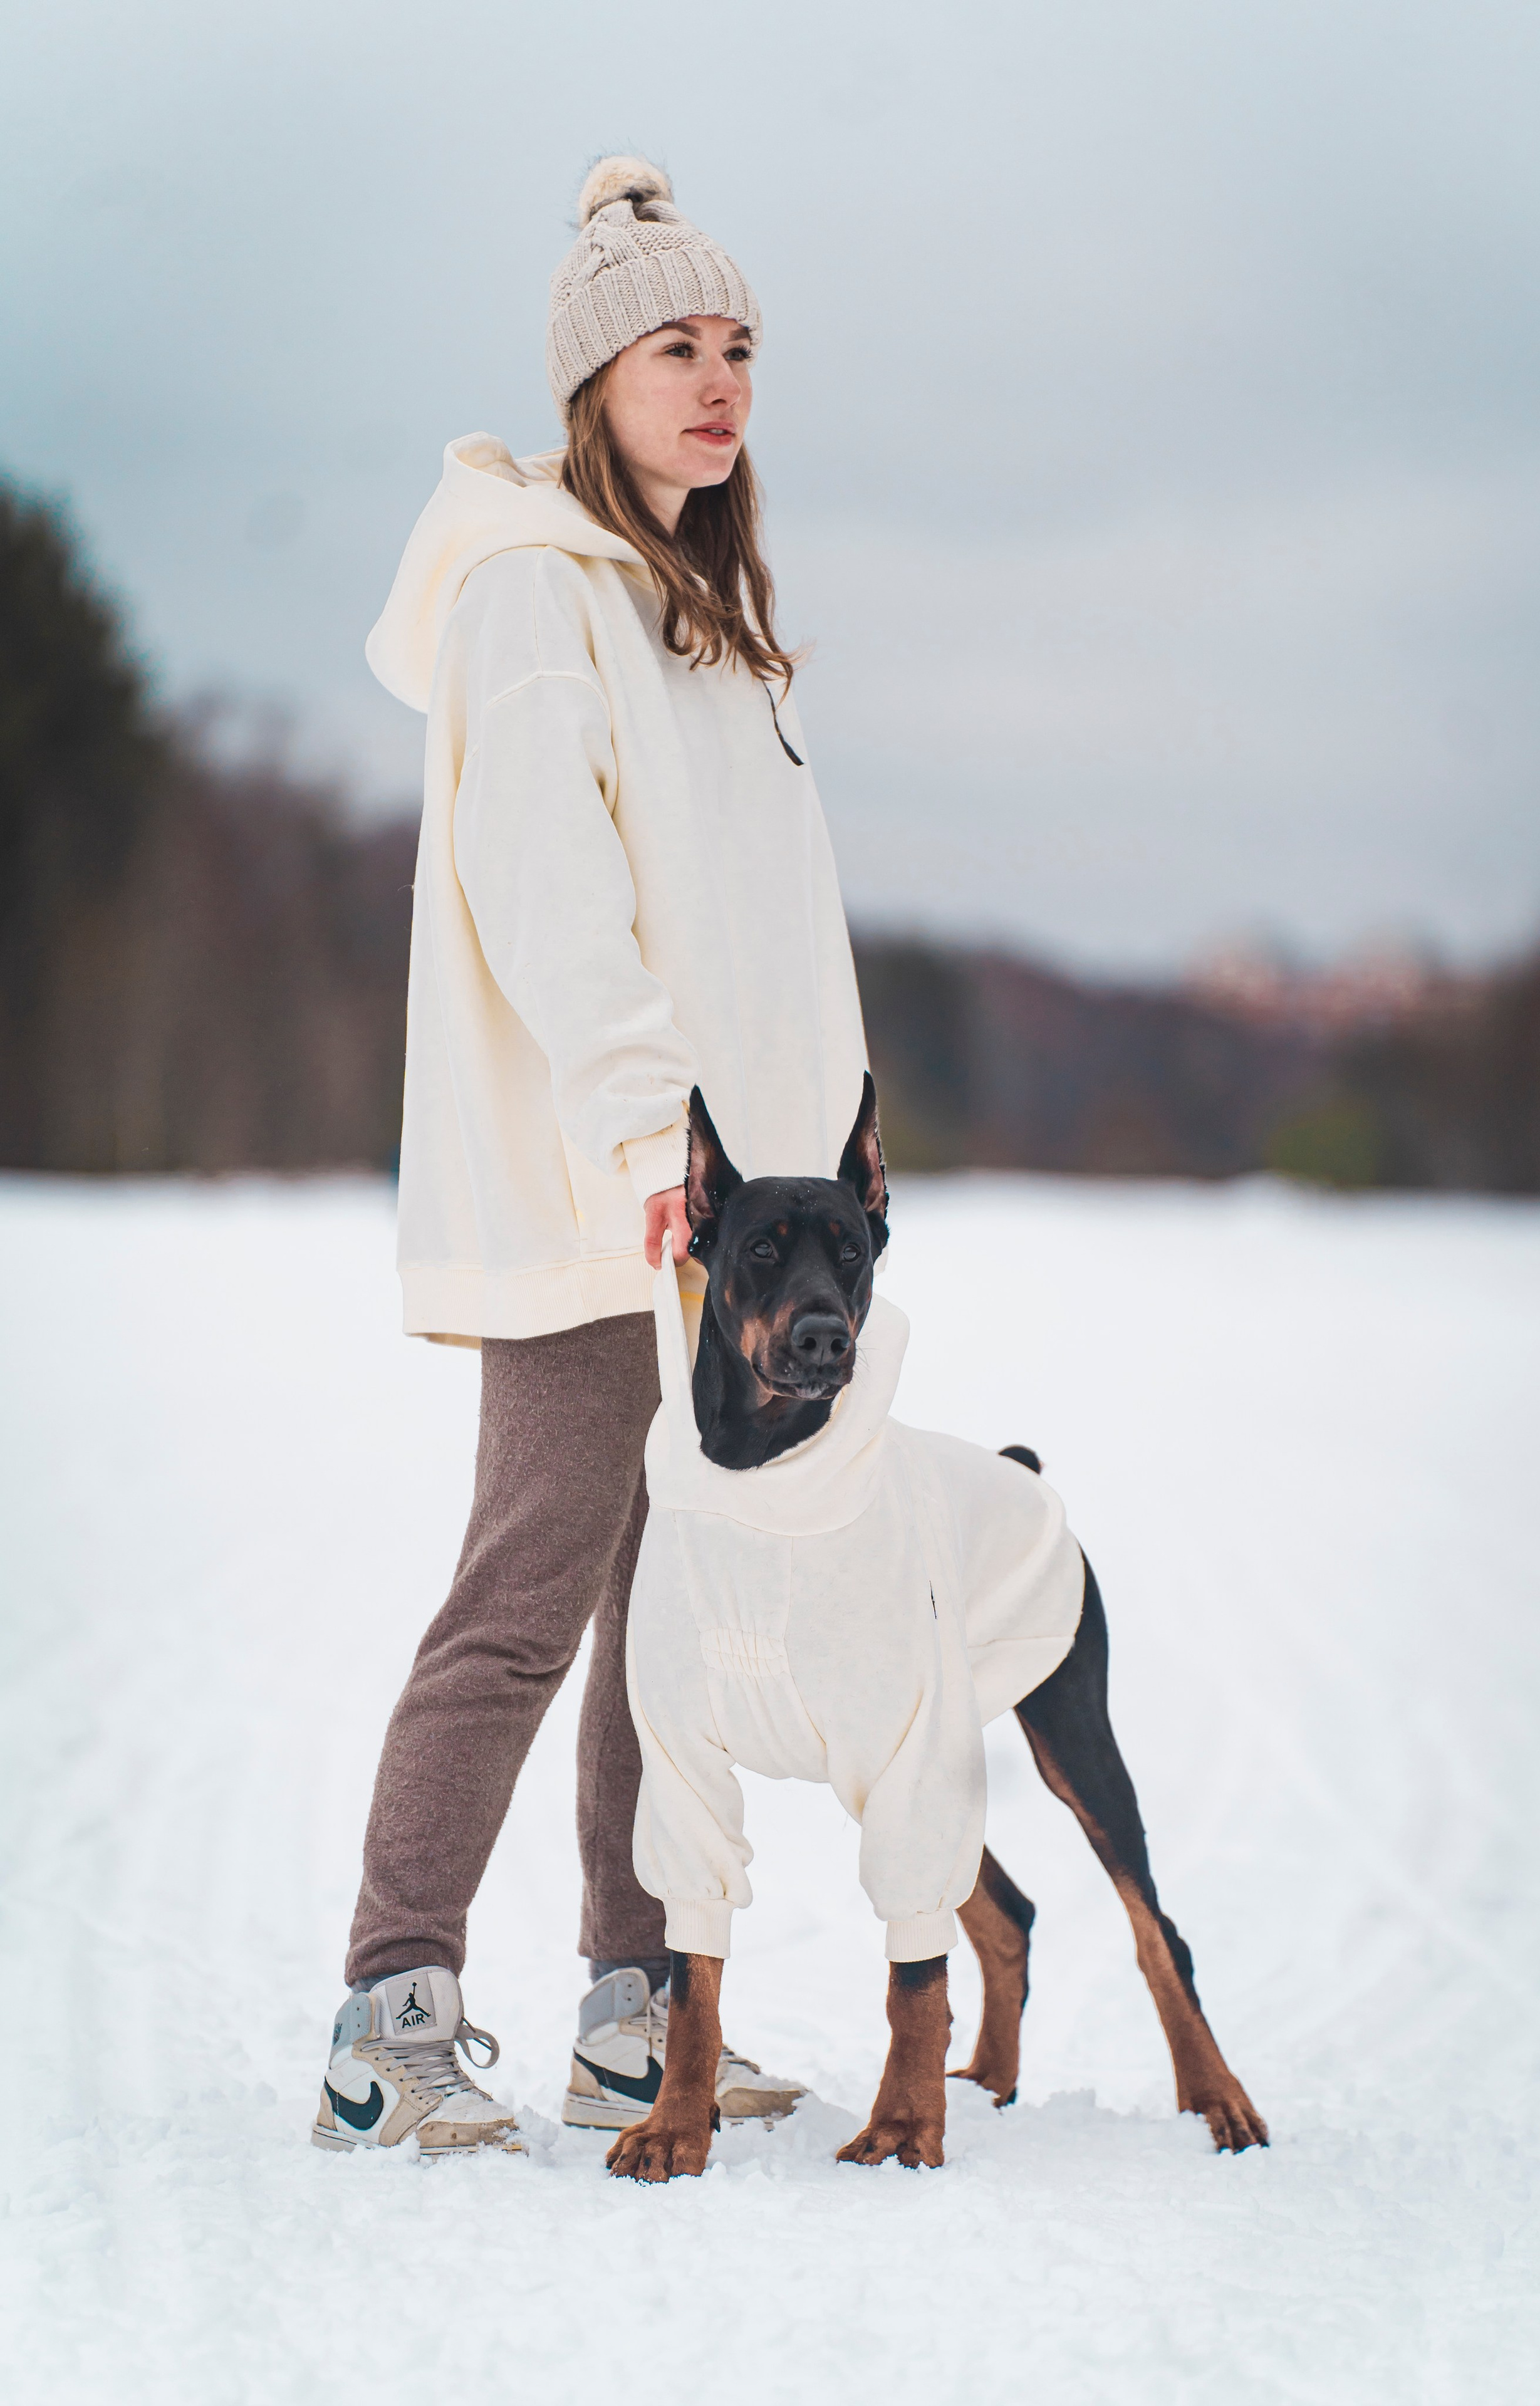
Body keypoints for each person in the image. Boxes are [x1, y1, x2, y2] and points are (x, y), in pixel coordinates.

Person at [312, 158, 869, 2156]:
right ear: (591, 382)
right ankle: (390, 2017)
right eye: (674, 352)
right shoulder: (538, 594)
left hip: (730, 1220)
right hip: (602, 1196)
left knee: (671, 1609)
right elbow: (550, 899)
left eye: (737, 350)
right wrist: (651, 1134)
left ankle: (637, 2010)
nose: (718, 387)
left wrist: (818, 1193)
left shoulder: (705, 618)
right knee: (530, 1589)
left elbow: (760, 937)